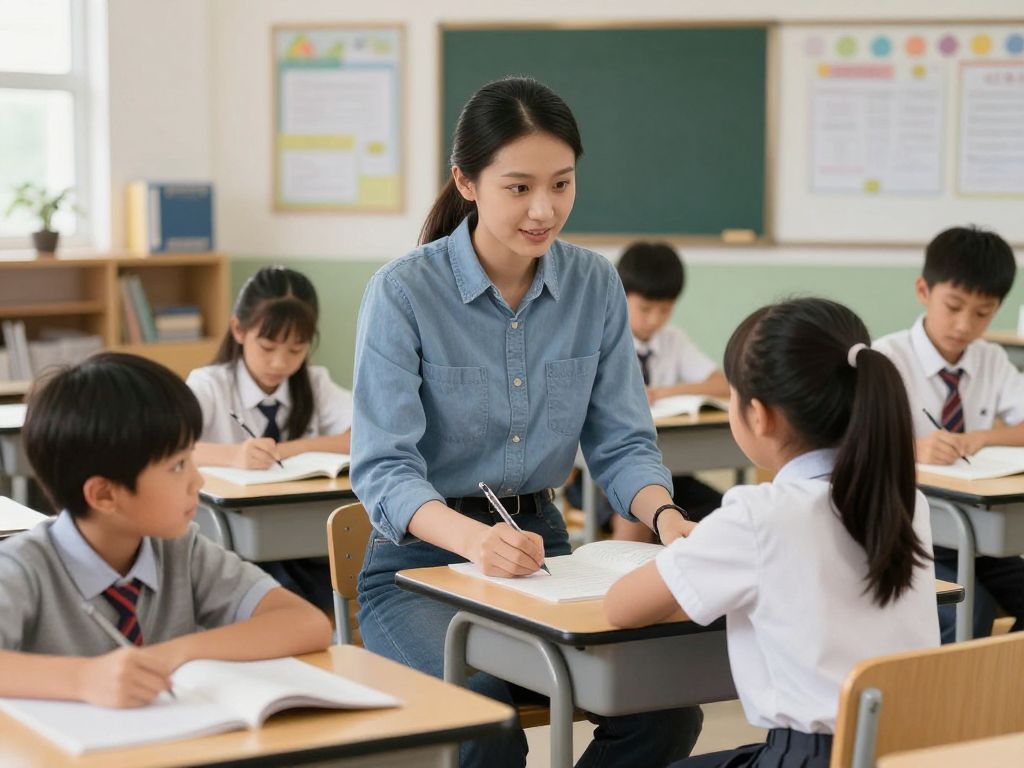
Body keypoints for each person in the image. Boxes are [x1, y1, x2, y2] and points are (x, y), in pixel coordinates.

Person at [351, 76, 702, 768]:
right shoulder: (402, 292)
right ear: (467, 182)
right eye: (519, 188)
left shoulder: (595, 284)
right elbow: (383, 469)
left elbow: (623, 441)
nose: (545, 209)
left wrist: (667, 520)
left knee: (667, 710)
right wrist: (475, 543)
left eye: (562, 184)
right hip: (417, 568)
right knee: (487, 722)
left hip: (545, 557)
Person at [605, 297, 940, 768]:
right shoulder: (908, 501)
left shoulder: (759, 514)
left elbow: (621, 607)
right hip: (906, 752)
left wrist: (697, 549)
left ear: (758, 415)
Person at [0, 353, 331, 707]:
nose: (198, 480)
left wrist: (171, 655)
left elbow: (306, 622)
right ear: (104, 494)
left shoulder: (180, 551)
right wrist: (82, 679)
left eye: (191, 458)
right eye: (177, 466)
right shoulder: (22, 568)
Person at [874, 225, 1024, 642]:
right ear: (924, 290)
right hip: (904, 534)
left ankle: (1004, 695)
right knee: (964, 614)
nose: (964, 325)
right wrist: (913, 449)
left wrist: (984, 437)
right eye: (954, 306)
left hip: (977, 533)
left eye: (983, 312)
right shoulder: (885, 358)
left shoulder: (990, 359)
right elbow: (850, 446)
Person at [187, 265, 353, 610]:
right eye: (267, 347)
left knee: (334, 593)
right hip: (232, 540)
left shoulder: (314, 382)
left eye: (296, 350)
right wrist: (233, 456)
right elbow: (169, 446)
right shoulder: (209, 385)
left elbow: (366, 433)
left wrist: (292, 449)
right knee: (287, 598)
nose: (280, 363)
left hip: (300, 540)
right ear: (238, 330)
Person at [567, 241, 729, 541]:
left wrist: (660, 394)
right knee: (637, 508)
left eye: (665, 310)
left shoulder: (673, 340)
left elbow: (722, 385)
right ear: (621, 296)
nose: (654, 319)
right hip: (602, 476)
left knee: (725, 512)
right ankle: (624, 584)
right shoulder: (600, 337)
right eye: (644, 309)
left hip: (669, 470)